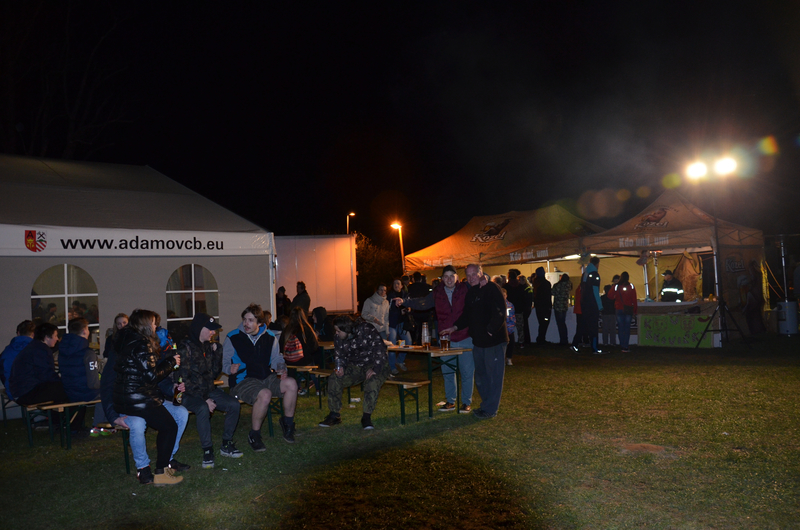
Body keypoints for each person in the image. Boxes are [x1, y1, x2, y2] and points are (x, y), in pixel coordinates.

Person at [100, 327, 190, 484]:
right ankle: (143, 468)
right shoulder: (119, 356)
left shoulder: (143, 351)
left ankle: (167, 459)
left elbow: (154, 378)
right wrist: (113, 417)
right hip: (129, 405)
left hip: (149, 401)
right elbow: (106, 387)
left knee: (181, 413)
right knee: (138, 423)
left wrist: (172, 388)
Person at [223, 304, 298, 447]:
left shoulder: (270, 337)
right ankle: (255, 434)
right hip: (243, 380)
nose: (246, 323)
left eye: (251, 320)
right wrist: (229, 368)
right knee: (265, 394)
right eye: (245, 319)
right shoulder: (233, 337)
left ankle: (288, 424)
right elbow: (224, 362)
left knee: (291, 384)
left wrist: (281, 369)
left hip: (266, 377)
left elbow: (276, 359)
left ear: (260, 323)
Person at [441, 263, 508, 419]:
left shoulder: (491, 288)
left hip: (493, 342)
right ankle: (486, 406)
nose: (471, 278)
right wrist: (454, 327)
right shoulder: (471, 292)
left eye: (474, 274)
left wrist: (491, 330)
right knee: (481, 378)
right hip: (478, 342)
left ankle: (490, 410)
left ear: (481, 273)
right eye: (468, 275)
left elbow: (501, 311)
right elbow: (467, 315)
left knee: (493, 378)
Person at [176, 313, 242, 469]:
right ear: (200, 328)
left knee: (234, 404)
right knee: (202, 408)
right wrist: (205, 398)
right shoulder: (185, 348)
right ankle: (207, 450)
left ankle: (226, 443)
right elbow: (183, 380)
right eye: (210, 329)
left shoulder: (207, 346)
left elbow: (213, 374)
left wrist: (217, 353)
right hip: (189, 393)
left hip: (208, 390)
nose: (213, 332)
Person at [318, 314, 390, 429]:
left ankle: (366, 417)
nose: (336, 333)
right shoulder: (338, 338)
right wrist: (340, 367)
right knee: (334, 379)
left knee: (372, 382)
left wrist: (375, 369)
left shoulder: (366, 329)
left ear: (347, 329)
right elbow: (339, 355)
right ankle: (334, 415)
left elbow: (380, 349)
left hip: (375, 364)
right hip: (356, 366)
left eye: (338, 331)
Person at [58, 317, 108, 436]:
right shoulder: (88, 352)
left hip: (69, 390)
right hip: (84, 392)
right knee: (108, 391)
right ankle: (99, 426)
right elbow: (93, 383)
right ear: (85, 331)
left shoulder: (63, 350)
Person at [9, 322, 69, 407]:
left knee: (61, 388)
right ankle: (67, 414)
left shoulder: (35, 346)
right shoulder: (41, 350)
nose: (57, 339)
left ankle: (57, 414)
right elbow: (46, 375)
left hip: (20, 391)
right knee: (68, 389)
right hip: (26, 393)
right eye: (55, 336)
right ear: (47, 337)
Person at [0, 320, 35, 398]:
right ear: (33, 334)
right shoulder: (36, 349)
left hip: (12, 391)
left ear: (18, 333)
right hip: (31, 391)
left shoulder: (7, 350)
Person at [608, 271, 638, 353]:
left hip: (619, 309)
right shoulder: (631, 286)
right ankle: (626, 346)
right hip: (628, 309)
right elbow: (634, 299)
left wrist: (616, 297)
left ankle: (622, 345)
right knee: (627, 328)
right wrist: (635, 310)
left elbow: (610, 296)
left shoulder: (616, 286)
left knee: (621, 328)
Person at [579, 257, 604, 354]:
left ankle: (576, 344)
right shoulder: (594, 274)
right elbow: (595, 291)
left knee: (585, 326)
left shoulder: (585, 274)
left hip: (585, 304)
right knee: (593, 327)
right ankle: (595, 348)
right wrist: (600, 306)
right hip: (592, 305)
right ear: (597, 264)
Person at [386, 279, 411, 372]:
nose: (396, 285)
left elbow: (410, 305)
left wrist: (408, 309)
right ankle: (392, 367)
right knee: (392, 345)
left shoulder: (405, 295)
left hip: (402, 323)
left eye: (398, 283)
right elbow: (388, 309)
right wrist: (399, 311)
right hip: (392, 324)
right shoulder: (390, 296)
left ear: (401, 285)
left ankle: (400, 360)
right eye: (394, 283)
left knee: (408, 342)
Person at [532, 267, 552, 344]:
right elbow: (547, 296)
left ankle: (541, 338)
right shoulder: (546, 283)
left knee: (542, 323)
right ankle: (541, 338)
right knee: (544, 323)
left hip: (539, 307)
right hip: (545, 307)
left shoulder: (535, 283)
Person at [551, 274, 572, 346]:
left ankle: (563, 340)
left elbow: (552, 292)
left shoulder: (557, 285)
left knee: (560, 324)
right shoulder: (568, 285)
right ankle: (565, 339)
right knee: (563, 323)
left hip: (558, 306)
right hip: (564, 306)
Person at [518, 275, 534, 346]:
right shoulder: (528, 287)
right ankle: (527, 340)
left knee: (523, 325)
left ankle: (525, 340)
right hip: (527, 308)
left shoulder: (521, 288)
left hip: (523, 309)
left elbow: (522, 299)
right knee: (525, 325)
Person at [502, 288, 516, 366]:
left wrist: (511, 327)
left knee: (511, 343)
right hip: (501, 328)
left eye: (504, 295)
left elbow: (513, 317)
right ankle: (502, 358)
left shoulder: (510, 305)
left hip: (509, 328)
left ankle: (509, 358)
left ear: (506, 295)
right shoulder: (497, 304)